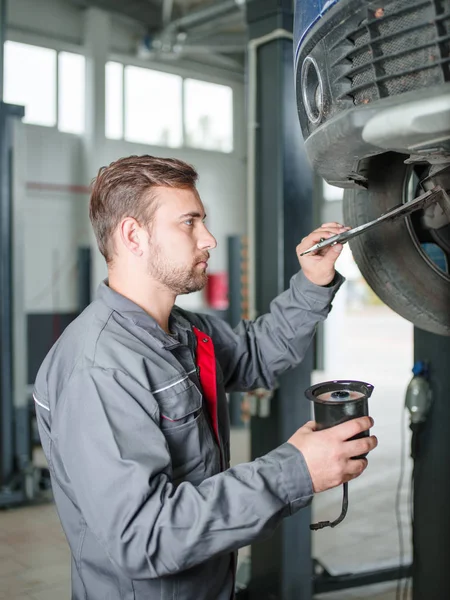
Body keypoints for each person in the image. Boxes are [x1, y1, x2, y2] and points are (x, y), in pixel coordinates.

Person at [33, 155, 378, 600]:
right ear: (134, 236)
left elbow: (254, 355)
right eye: (189, 223)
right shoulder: (99, 370)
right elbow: (145, 535)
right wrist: (295, 470)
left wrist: (313, 280)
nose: (209, 238)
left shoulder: (184, 330)